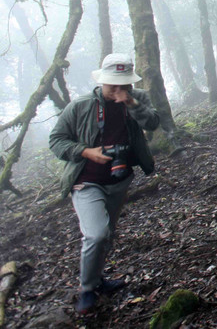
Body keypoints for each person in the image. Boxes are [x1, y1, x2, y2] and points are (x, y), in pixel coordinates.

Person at [49, 53, 160, 315]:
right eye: (114, 86)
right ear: (102, 82)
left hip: (119, 179)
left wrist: (132, 103)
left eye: (125, 85)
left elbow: (153, 123)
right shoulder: (80, 106)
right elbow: (57, 140)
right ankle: (87, 290)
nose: (119, 91)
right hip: (86, 180)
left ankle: (98, 280)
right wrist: (86, 152)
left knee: (106, 234)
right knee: (96, 234)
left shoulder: (136, 97)